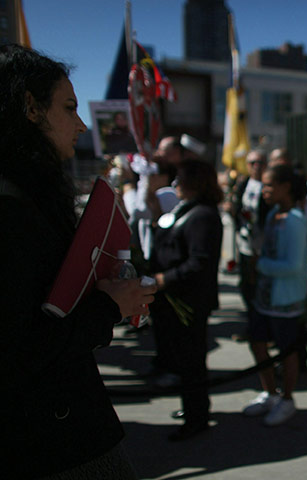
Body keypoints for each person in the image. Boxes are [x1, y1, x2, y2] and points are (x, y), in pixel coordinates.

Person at [0, 44, 156, 478]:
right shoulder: (10, 209)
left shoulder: (26, 196)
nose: (82, 124)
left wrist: (112, 288)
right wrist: (108, 307)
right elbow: (21, 348)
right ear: (30, 108)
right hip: (47, 438)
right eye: (68, 107)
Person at [149, 159, 223, 441]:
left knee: (192, 361)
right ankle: (192, 408)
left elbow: (199, 263)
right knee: (184, 359)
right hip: (174, 299)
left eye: (180, 180)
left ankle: (196, 417)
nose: (175, 185)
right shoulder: (186, 209)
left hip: (189, 301)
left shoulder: (203, 215)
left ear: (195, 183)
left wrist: (164, 279)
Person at [242, 164, 307, 426]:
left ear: (286, 187)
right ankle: (270, 393)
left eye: (270, 185)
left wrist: (260, 263)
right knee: (258, 343)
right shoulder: (273, 214)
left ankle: (287, 398)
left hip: (285, 299)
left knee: (286, 351)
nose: (265, 190)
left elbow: (293, 265)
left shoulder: (294, 220)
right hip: (265, 296)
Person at [229, 150, 271, 316]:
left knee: (262, 282)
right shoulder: (244, 184)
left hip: (264, 244)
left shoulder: (268, 184)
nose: (256, 167)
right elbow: (237, 208)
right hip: (246, 242)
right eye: (252, 163)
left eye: (260, 163)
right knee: (246, 282)